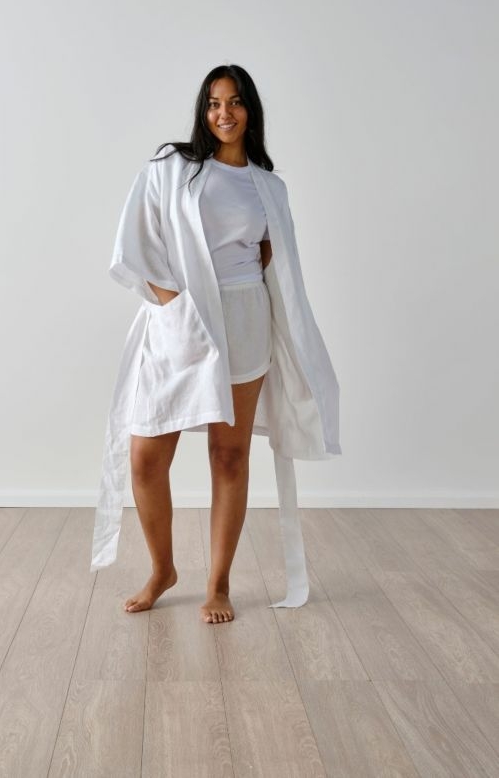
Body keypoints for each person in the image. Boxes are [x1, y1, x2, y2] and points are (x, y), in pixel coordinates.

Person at [92, 64, 341, 625]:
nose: (223, 113)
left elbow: (273, 258)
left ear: (251, 110)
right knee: (146, 456)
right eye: (212, 103)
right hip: (180, 323)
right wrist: (175, 307)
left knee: (229, 456)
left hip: (244, 322)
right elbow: (134, 246)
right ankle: (163, 570)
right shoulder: (171, 168)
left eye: (234, 102)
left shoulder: (268, 187)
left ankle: (219, 584)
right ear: (203, 112)